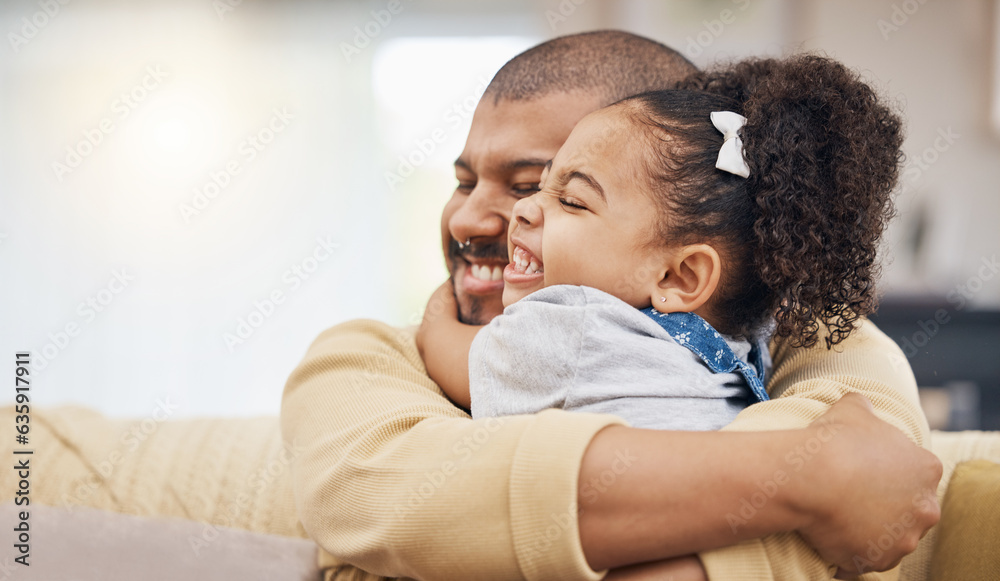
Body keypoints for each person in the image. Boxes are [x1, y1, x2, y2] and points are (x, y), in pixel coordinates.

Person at [281, 31, 942, 581]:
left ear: (685, 266)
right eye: (463, 180)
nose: (471, 217)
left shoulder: (810, 343)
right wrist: (812, 477)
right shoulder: (362, 359)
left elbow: (889, 474)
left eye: (541, 185)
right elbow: (396, 503)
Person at [422, 55, 899, 440]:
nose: (525, 209)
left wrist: (435, 311)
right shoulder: (751, 337)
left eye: (570, 200)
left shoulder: (566, 325)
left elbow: (456, 359)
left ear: (681, 277)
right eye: (541, 186)